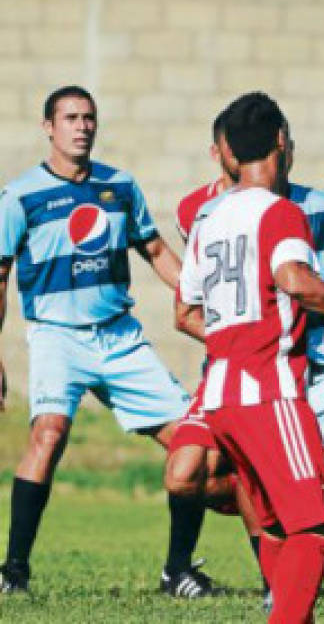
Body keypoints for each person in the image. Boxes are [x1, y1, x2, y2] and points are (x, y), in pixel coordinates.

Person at [166, 104, 324, 620]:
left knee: (309, 502)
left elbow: (188, 306)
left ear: (230, 152)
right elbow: (295, 280)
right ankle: (287, 600)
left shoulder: (214, 219)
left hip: (232, 388)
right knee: (311, 524)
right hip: (274, 380)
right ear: (283, 140)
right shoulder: (279, 213)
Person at [0, 86, 204, 597]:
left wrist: (204, 301)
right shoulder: (20, 196)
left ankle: (177, 571)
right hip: (56, 337)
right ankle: (13, 571)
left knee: (193, 445)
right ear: (49, 127)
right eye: (70, 118)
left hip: (118, 336)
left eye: (89, 118)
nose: (82, 126)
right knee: (48, 434)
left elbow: (155, 249)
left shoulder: (120, 186)